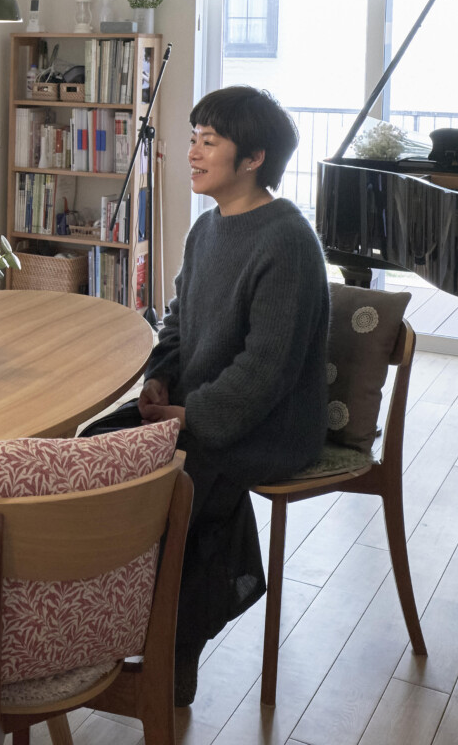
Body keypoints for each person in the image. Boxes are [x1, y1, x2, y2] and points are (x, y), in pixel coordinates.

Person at [84, 84, 329, 705]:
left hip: (268, 425)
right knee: (95, 444)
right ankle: (103, 625)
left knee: (172, 480)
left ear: (253, 158)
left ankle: (171, 650)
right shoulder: (206, 229)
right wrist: (159, 377)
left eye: (209, 142)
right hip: (197, 407)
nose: (192, 152)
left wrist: (187, 415)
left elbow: (265, 370)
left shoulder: (287, 241)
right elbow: (177, 323)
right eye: (193, 138)